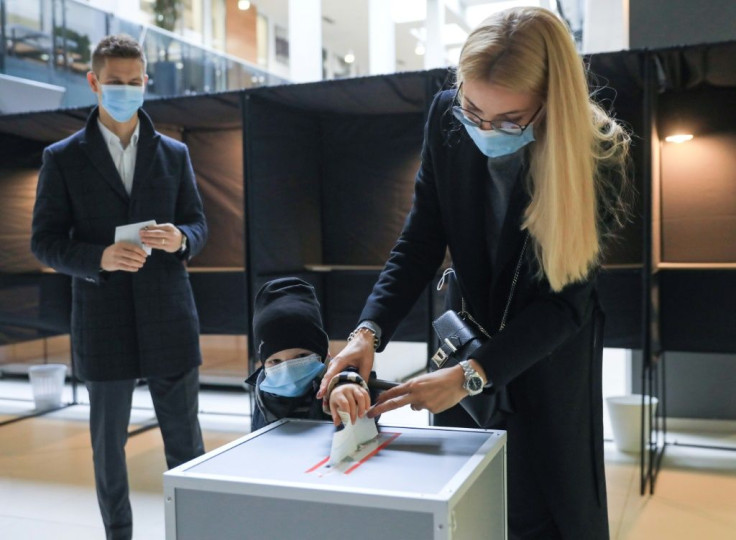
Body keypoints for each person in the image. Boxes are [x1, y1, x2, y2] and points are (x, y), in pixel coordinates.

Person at [318, 7, 631, 540]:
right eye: (472, 110)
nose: (485, 130)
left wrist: (474, 375)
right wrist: (366, 334)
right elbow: (420, 240)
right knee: (468, 504)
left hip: (545, 354)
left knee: (545, 506)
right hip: (464, 342)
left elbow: (567, 304)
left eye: (510, 121)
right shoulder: (445, 117)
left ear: (550, 105)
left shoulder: (594, 153)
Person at [30, 35, 207, 540]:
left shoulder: (174, 154)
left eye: (134, 83)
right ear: (93, 82)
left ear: (145, 82)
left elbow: (198, 225)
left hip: (169, 317)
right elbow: (43, 242)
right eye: (115, 83)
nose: (126, 90)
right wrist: (98, 257)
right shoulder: (62, 158)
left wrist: (180, 239)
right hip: (101, 321)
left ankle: (191, 531)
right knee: (107, 448)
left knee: (186, 444)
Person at [246, 277, 373, 431]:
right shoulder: (263, 392)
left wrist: (346, 389)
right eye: (276, 362)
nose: (287, 371)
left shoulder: (338, 376)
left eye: (301, 356)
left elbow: (348, 378)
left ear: (323, 353)